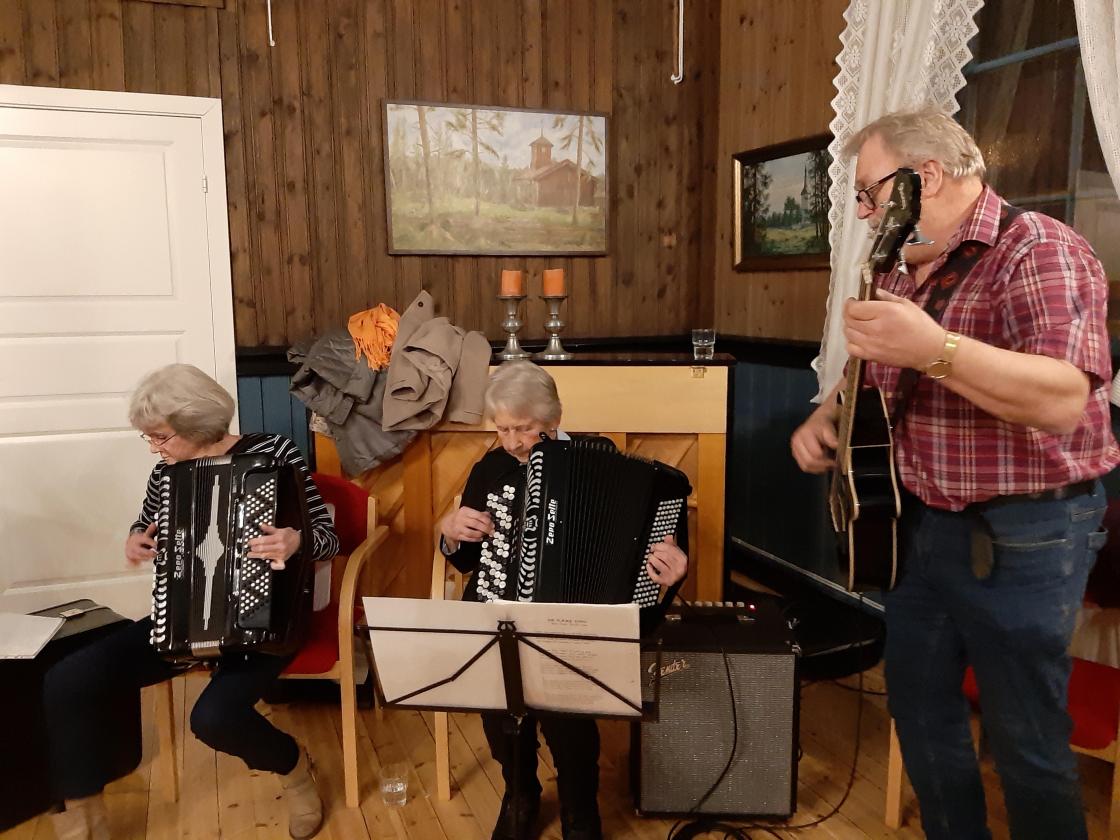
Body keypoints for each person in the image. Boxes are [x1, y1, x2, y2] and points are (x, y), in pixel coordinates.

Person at [791, 108, 1119, 840]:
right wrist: (829, 413)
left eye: (871, 192)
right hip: (921, 523)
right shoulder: (900, 264)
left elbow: (1063, 399)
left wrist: (935, 349)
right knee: (918, 709)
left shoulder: (1040, 248)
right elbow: (874, 368)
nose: (865, 211)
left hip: (1029, 531)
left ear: (927, 176)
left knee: (1025, 737)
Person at [43, 363, 340, 840]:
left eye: (161, 437)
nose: (154, 448)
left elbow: (328, 537)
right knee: (68, 679)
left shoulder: (274, 453)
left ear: (196, 425)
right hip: (184, 619)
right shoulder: (166, 474)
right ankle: (83, 821)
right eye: (149, 438)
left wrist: (296, 540)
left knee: (214, 719)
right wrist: (136, 539)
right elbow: (145, 524)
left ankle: (295, 770)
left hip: (264, 620)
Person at [438, 361, 688, 840]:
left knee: (569, 719)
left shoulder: (603, 461)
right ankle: (520, 793)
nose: (512, 441)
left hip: (576, 623)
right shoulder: (490, 468)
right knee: (499, 714)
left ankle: (579, 805)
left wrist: (674, 570)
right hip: (500, 616)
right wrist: (450, 533)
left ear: (553, 419)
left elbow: (658, 547)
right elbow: (466, 558)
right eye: (501, 428)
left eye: (523, 428)